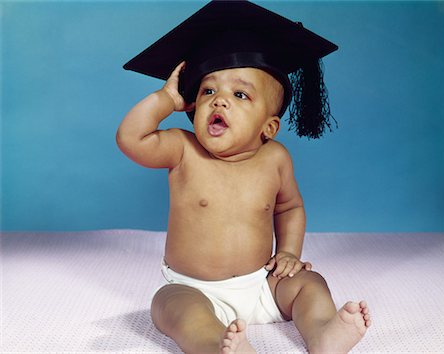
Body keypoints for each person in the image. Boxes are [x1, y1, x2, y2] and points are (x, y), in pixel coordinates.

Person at [117, 1, 371, 353]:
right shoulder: (182, 149)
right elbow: (131, 139)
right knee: (169, 306)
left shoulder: (276, 159)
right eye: (208, 91)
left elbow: (290, 208)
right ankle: (214, 345)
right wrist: (165, 99)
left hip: (262, 283)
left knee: (310, 283)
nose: (219, 101)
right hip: (194, 287)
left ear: (269, 127)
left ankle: (324, 333)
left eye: (239, 94)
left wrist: (288, 253)